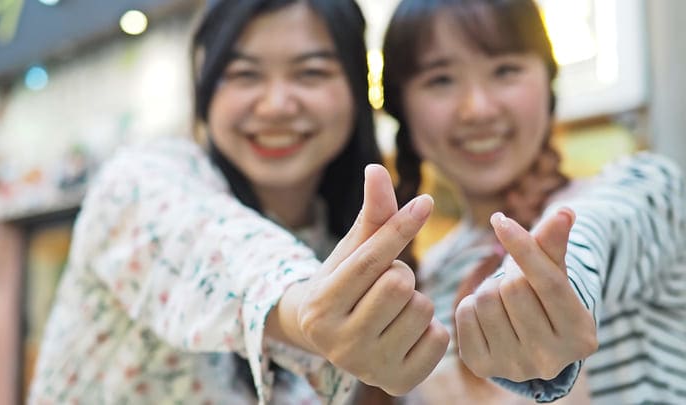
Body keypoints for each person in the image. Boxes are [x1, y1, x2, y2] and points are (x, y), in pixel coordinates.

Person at [27, 1, 452, 404]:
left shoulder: (345, 239)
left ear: (356, 90)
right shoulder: (142, 180)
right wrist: (304, 303)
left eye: (310, 72)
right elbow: (215, 247)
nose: (276, 105)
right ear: (206, 88)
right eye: (245, 74)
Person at [380, 0, 686, 403]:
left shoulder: (642, 186)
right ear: (402, 107)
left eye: (505, 70)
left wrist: (555, 282)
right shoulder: (419, 283)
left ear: (548, 80)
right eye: (440, 80)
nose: (478, 109)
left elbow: (594, 233)